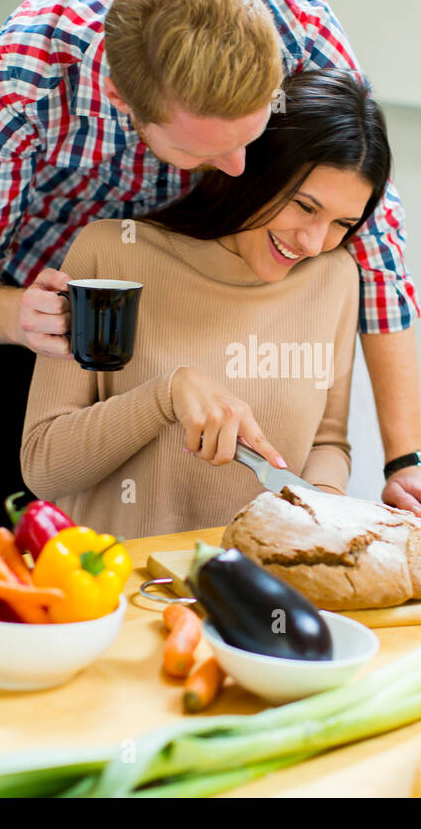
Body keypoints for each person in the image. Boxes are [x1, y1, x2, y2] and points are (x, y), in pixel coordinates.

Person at [0, 0, 421, 544]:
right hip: (38, 298)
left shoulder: (296, 24)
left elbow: (376, 242)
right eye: (208, 152)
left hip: (209, 270)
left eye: (252, 137)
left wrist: (406, 459)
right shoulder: (25, 75)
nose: (238, 168)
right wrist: (20, 316)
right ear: (124, 101)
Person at [21, 69, 380, 537]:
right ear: (253, 169)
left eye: (343, 223)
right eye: (304, 207)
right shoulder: (112, 254)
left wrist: (323, 504)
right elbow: (43, 466)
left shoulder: (334, 276)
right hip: (114, 591)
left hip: (254, 589)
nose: (314, 242)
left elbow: (328, 442)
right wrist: (164, 395)